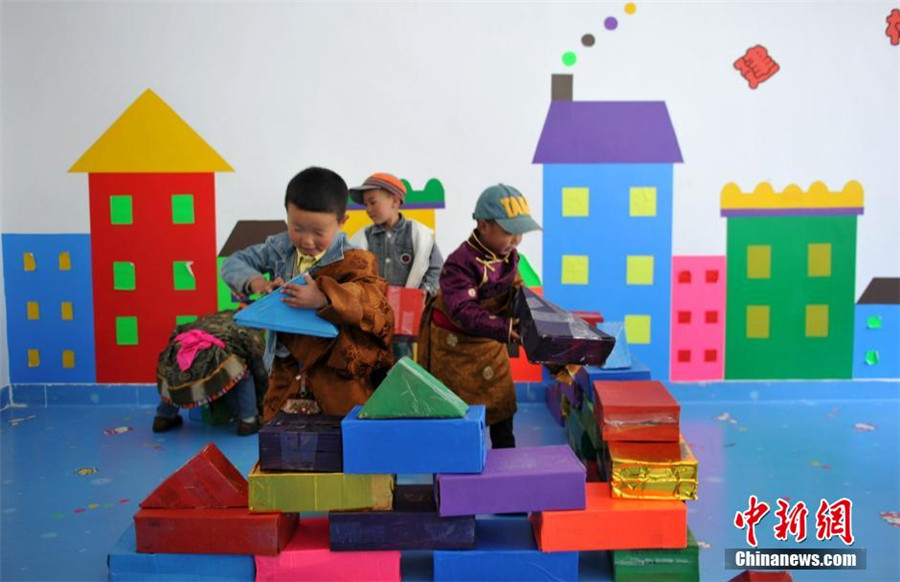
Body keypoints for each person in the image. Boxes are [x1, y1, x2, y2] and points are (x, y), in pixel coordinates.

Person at [221, 167, 395, 422]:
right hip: (285, 362)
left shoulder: (355, 258)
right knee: (280, 432)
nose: (306, 240)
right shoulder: (278, 248)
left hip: (333, 368)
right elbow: (233, 263)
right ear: (287, 216)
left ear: (341, 222)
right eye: (297, 227)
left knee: (338, 432)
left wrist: (324, 297)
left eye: (318, 232)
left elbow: (368, 297)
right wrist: (256, 281)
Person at [416, 184, 541, 449]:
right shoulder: (459, 263)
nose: (516, 240)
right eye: (509, 232)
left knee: (502, 409)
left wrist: (533, 315)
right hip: (456, 348)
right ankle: (455, 477)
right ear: (483, 226)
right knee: (459, 421)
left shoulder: (508, 254)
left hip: (491, 343)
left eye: (520, 233)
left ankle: (506, 466)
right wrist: (504, 327)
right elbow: (463, 309)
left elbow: (515, 288)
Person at [348, 172, 443, 360]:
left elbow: (435, 268)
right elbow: (352, 271)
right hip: (373, 315)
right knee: (371, 359)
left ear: (395, 201)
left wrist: (423, 293)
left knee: (402, 360)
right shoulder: (361, 239)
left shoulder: (419, 235)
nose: (368, 209)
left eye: (373, 202)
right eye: (365, 204)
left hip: (405, 316)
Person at [152, 311, 268, 436]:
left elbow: (176, 333)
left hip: (180, 351)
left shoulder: (205, 320)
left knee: (173, 376)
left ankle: (163, 417)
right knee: (243, 372)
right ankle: (248, 420)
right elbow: (258, 366)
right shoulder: (249, 330)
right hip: (213, 357)